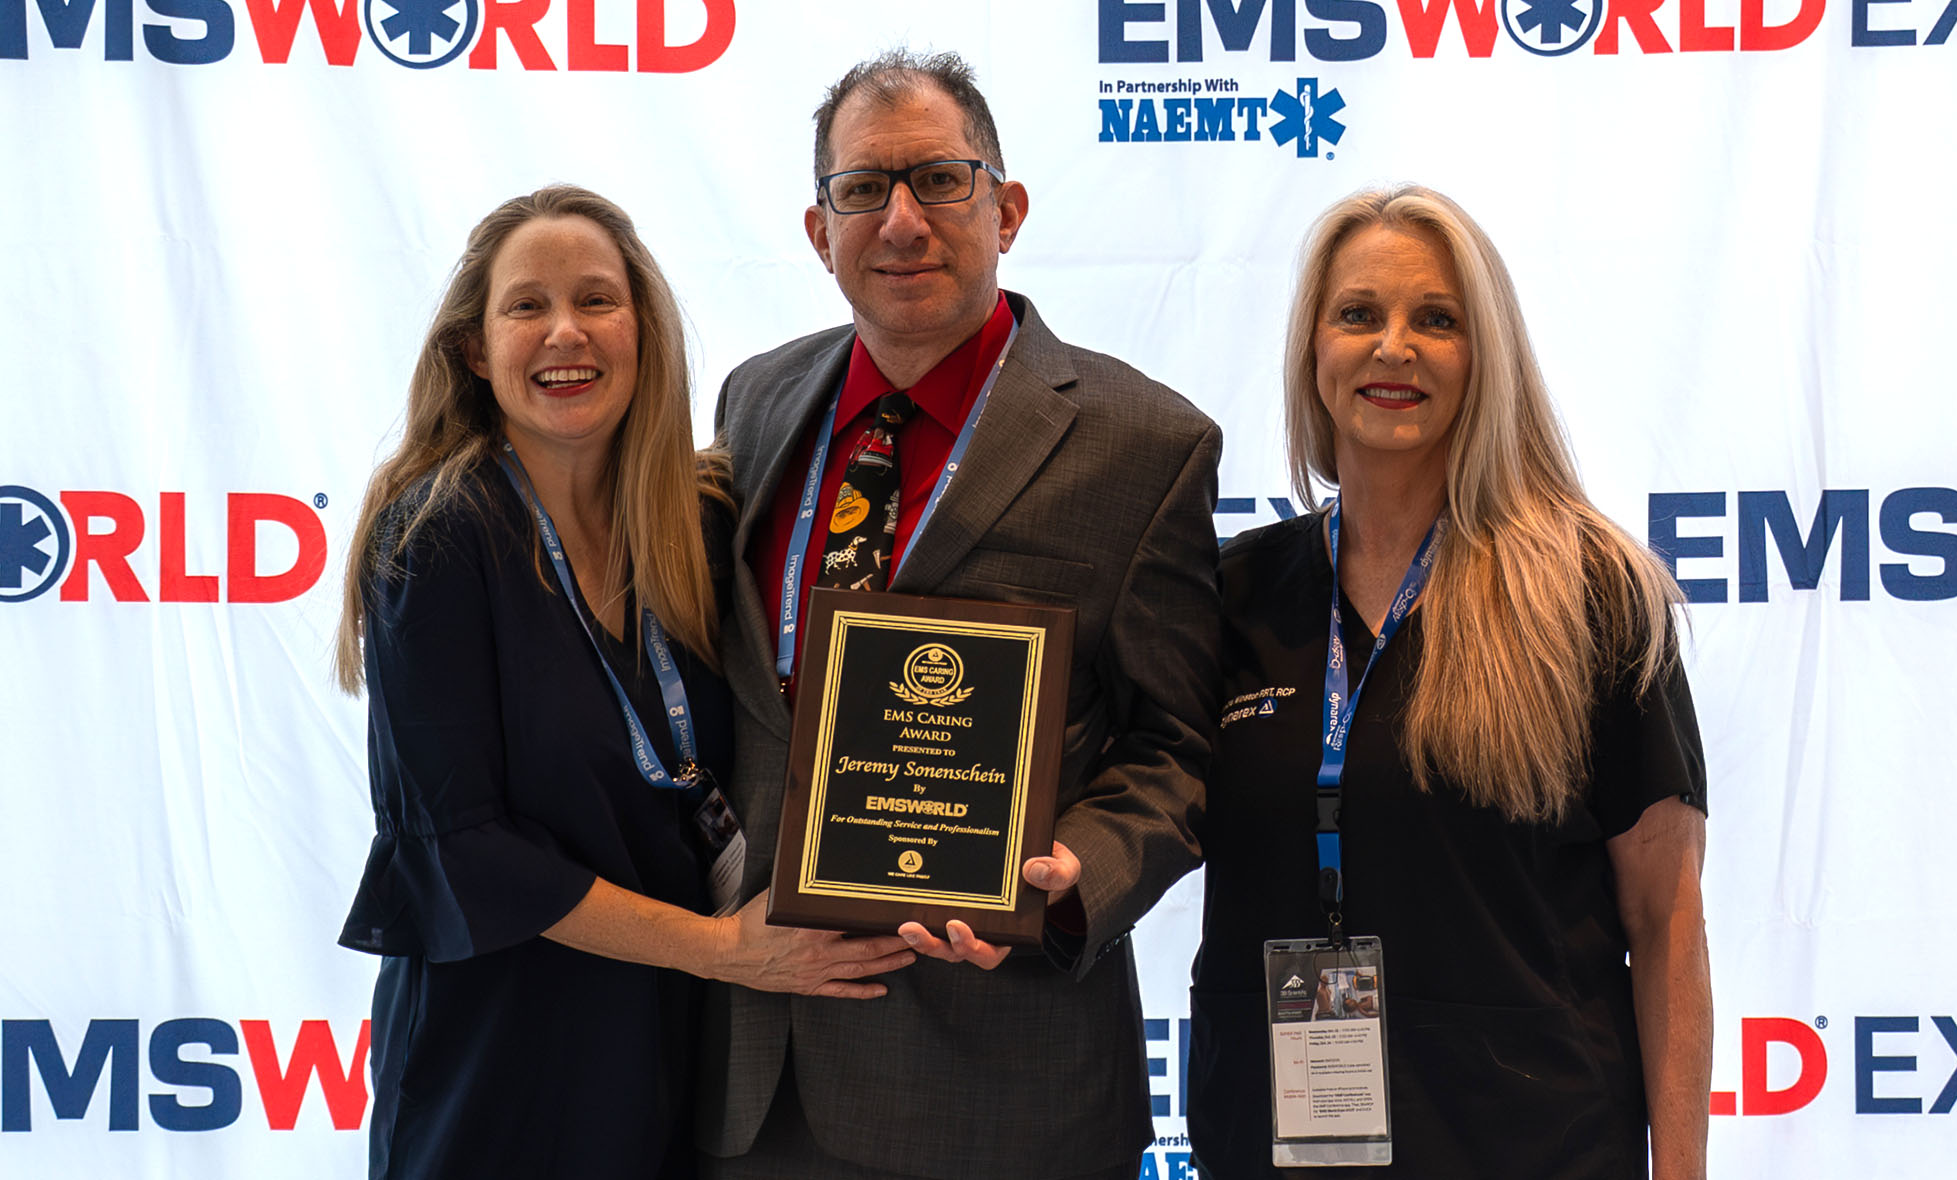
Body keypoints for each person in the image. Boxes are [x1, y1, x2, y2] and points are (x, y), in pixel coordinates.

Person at [701, 50, 1222, 1180]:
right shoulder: (752, 402)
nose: (900, 221)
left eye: (939, 179)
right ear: (815, 228)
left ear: (1007, 208)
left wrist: (1081, 868)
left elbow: (1177, 742)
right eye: (861, 190)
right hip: (755, 1065)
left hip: (1000, 1079)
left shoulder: (1143, 444)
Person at [332, 184, 915, 1180]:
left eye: (596, 299)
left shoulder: (696, 521)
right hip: (503, 1052)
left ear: (643, 329)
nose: (565, 332)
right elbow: (462, 846)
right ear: (474, 348)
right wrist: (722, 947)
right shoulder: (435, 536)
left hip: (673, 1046)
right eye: (527, 305)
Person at [1187, 185, 1711, 1179]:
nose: (1394, 346)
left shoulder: (1592, 595)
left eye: (1436, 319)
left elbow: (1666, 919)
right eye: (1357, 314)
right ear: (1312, 351)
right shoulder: (1235, 591)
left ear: (1486, 358)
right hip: (1270, 1143)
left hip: (1530, 1144)